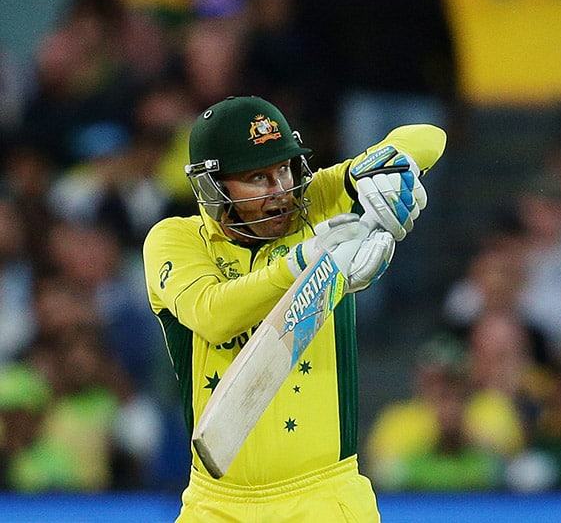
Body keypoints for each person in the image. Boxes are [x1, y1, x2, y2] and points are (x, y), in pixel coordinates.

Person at [142, 95, 446, 522]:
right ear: (214, 186)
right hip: (214, 505)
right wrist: (307, 261)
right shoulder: (176, 239)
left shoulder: (319, 201)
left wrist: (386, 166)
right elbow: (212, 315)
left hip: (323, 497)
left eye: (284, 169)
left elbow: (429, 136)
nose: (281, 191)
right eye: (258, 178)